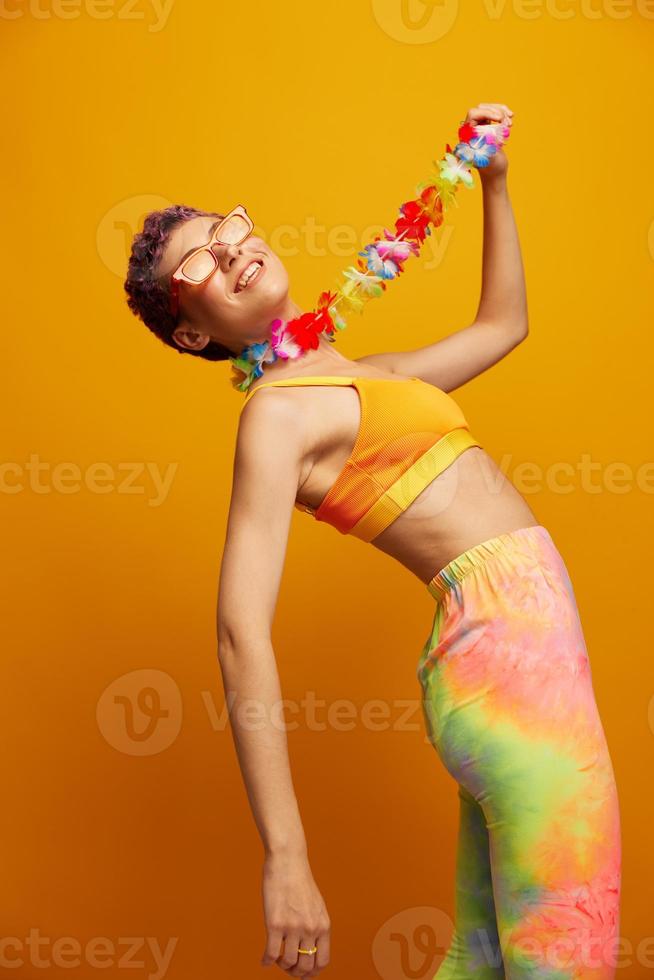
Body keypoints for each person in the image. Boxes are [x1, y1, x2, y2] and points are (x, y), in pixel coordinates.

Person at [124, 102, 622, 979]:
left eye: (226, 228)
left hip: (501, 662)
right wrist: (286, 856)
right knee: (563, 947)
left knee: (487, 958)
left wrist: (494, 183)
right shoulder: (276, 420)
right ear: (193, 332)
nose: (233, 247)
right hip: (511, 665)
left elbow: (504, 328)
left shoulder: (347, 377)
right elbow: (240, 633)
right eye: (200, 259)